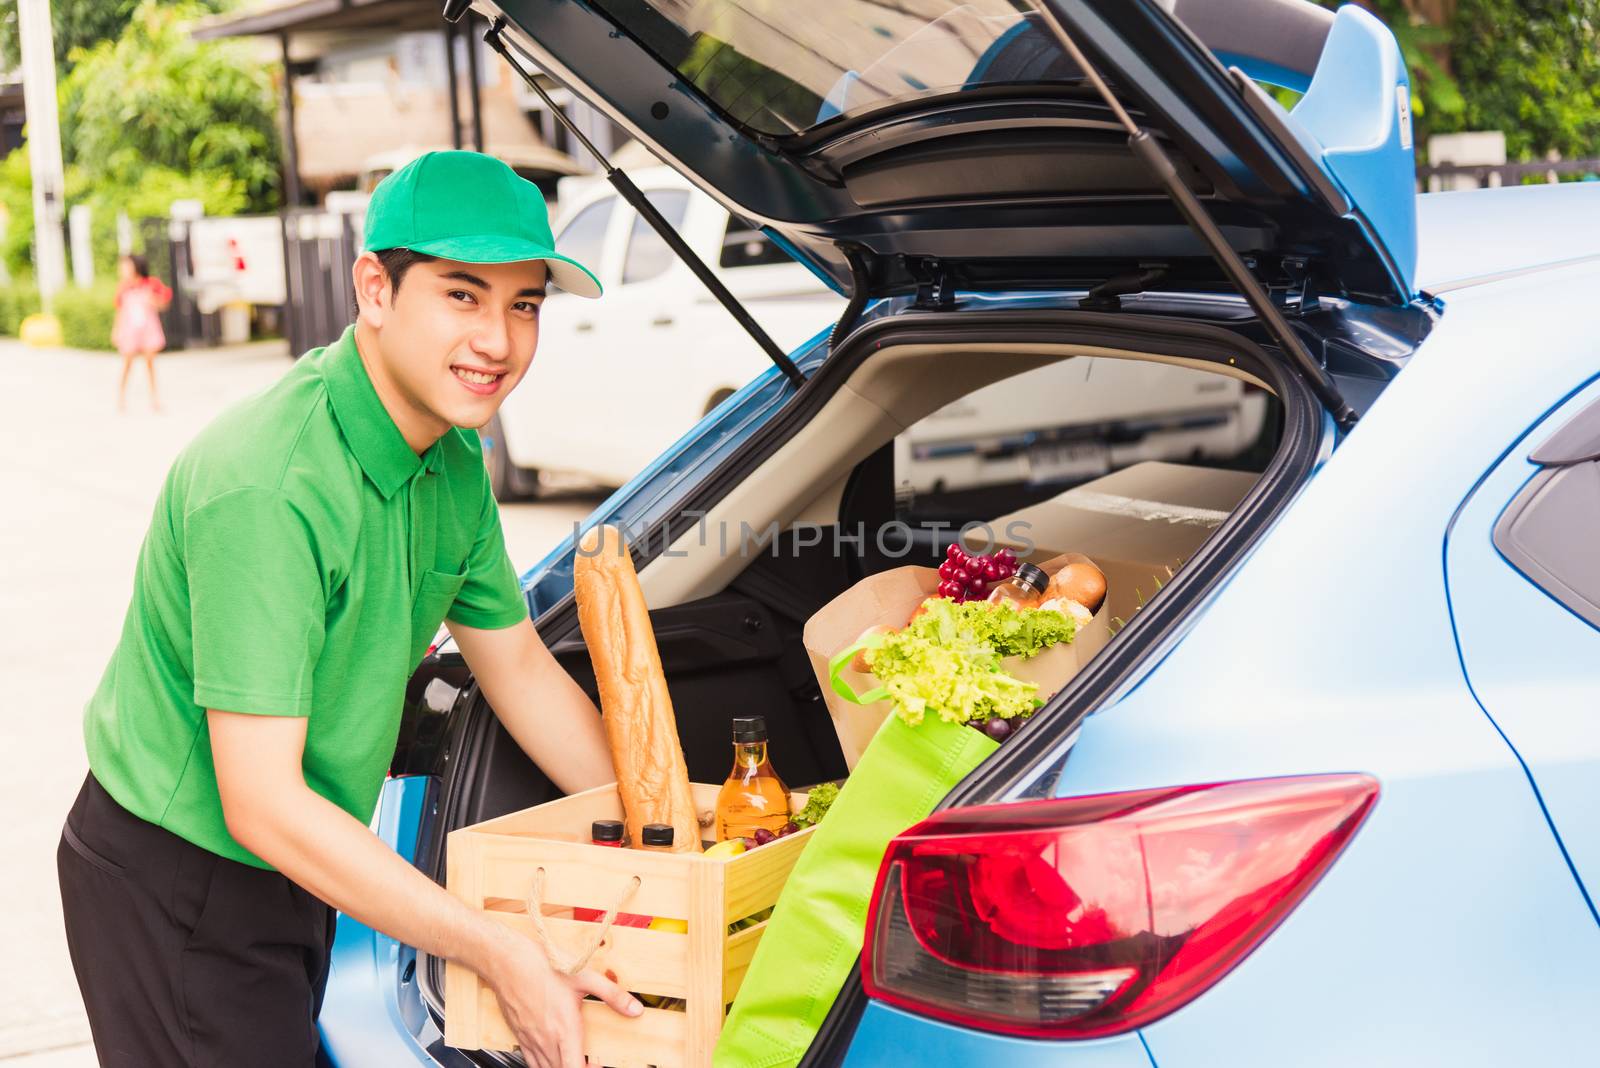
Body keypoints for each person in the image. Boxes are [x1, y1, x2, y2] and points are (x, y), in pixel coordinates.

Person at [57, 151, 639, 1068]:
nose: (498, 340)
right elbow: (262, 804)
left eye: (523, 306)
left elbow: (520, 667)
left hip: (301, 855)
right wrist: (493, 950)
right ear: (375, 287)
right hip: (181, 875)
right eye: (462, 295)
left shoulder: (451, 464)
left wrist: (661, 825)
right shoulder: (269, 484)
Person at [112, 253, 172, 412]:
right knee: (127, 363)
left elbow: (164, 303)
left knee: (150, 364)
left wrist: (154, 301)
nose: (123, 269)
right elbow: (119, 311)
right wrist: (116, 331)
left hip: (148, 328)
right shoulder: (123, 288)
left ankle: (154, 399)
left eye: (126, 266)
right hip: (130, 329)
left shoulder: (151, 284)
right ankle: (121, 397)